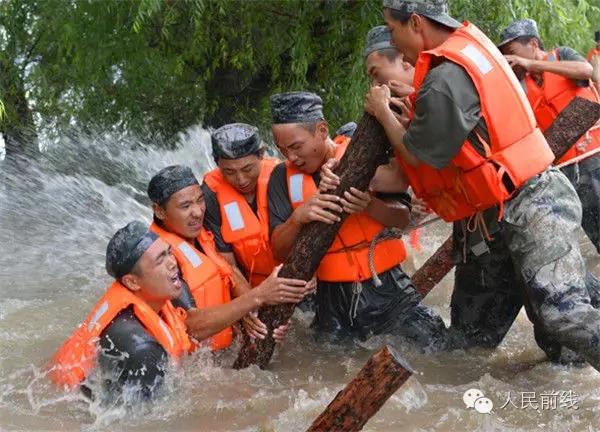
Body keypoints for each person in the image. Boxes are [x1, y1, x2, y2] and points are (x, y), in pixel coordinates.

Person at [366, 0, 600, 370]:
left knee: (563, 317)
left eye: (393, 31)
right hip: (486, 220)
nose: (396, 43)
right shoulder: (464, 56)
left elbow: (415, 155)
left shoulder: (445, 75)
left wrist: (381, 111)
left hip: (532, 201)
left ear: (415, 23)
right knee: (466, 346)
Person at [48, 221, 310, 404]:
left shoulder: (154, 301)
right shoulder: (141, 349)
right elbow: (144, 423)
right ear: (132, 282)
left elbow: (191, 329)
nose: (173, 264)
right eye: (159, 261)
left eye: (168, 253)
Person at [266, 90, 448, 352]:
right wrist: (298, 218)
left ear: (321, 130)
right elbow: (279, 251)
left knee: (434, 345)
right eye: (282, 150)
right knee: (329, 365)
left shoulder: (362, 155)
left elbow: (402, 219)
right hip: (330, 299)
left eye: (296, 146)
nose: (291, 157)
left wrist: (369, 205)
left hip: (385, 283)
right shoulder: (280, 179)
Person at [148, 165, 313, 344]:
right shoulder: (158, 258)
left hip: (225, 348)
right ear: (159, 211)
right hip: (201, 365)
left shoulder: (201, 235)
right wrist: (258, 296)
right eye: (185, 206)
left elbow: (228, 272)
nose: (198, 212)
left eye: (200, 200)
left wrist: (259, 318)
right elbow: (192, 326)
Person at [497, 19, 600, 254]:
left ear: (533, 43)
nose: (510, 59)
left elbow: (587, 71)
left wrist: (532, 64)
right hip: (566, 172)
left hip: (595, 158)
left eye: (511, 52)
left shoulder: (559, 55)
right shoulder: (520, 87)